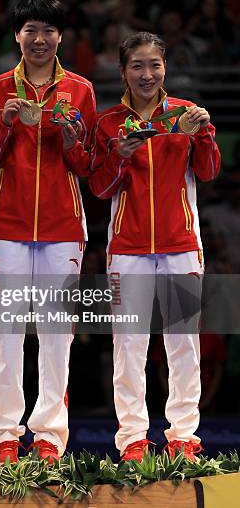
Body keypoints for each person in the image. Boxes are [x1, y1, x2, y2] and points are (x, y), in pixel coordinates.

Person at [88, 31, 221, 462]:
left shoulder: (186, 114)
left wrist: (203, 134)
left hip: (180, 245)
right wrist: (120, 154)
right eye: (138, 66)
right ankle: (132, 439)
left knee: (182, 343)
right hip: (127, 249)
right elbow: (102, 188)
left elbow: (209, 170)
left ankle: (183, 435)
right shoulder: (109, 123)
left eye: (155, 65)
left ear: (165, 67)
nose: (147, 74)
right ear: (123, 71)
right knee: (130, 345)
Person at [0, 0, 96, 464]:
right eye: (30, 30)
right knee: (4, 333)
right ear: (16, 36)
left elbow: (87, 167)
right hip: (5, 225)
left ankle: (49, 436)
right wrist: (3, 125)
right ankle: (4, 435)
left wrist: (72, 141)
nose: (40, 39)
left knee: (56, 332)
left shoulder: (81, 89)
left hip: (63, 226)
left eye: (48, 30)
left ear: (60, 36)